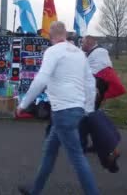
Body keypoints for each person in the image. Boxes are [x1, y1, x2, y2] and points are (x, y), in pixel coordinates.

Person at [17, 21, 98, 195]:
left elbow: (41, 79)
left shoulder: (53, 52)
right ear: (66, 34)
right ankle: (35, 189)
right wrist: (88, 109)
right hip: (75, 109)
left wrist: (23, 104)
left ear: (51, 35)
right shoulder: (79, 53)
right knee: (50, 150)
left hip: (62, 110)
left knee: (77, 157)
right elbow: (90, 83)